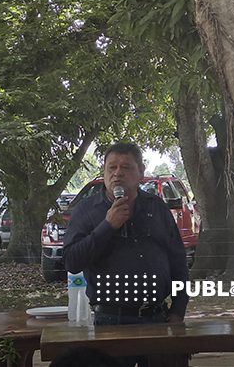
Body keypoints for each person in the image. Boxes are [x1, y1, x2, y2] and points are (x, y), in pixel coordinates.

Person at [62, 142, 189, 367]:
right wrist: (107, 226)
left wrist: (178, 310)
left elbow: (178, 262)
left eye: (126, 167)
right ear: (104, 172)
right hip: (111, 322)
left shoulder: (156, 207)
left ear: (140, 173)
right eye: (111, 167)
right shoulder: (86, 210)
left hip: (158, 318)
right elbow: (72, 262)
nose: (117, 173)